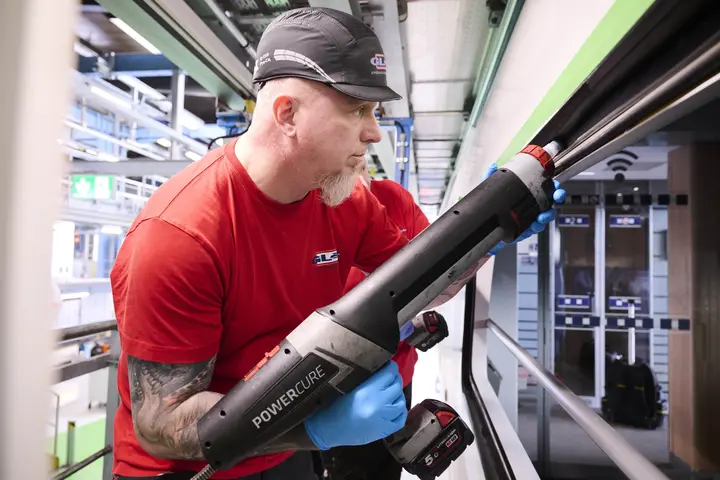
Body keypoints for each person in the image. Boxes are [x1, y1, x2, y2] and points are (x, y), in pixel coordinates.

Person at [109, 6, 565, 480]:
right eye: (357, 110)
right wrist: (317, 430)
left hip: (278, 456)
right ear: (288, 114)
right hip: (184, 470)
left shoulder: (345, 202)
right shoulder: (179, 238)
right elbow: (162, 424)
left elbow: (425, 287)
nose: (374, 132)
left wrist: (492, 228)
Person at [318, 164, 429, 480]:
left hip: (395, 378)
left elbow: (436, 272)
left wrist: (488, 236)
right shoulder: (312, 209)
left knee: (387, 467)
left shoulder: (396, 199)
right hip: (334, 383)